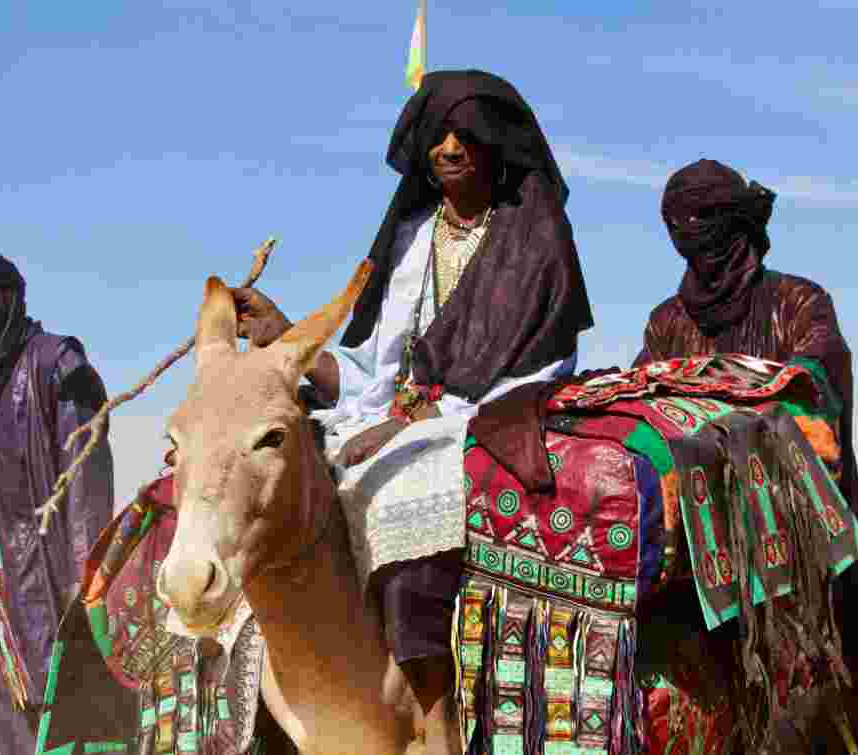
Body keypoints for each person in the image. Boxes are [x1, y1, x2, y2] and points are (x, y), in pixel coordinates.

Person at [234, 70, 592, 751]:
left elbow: (534, 359)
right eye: (438, 134)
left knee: (401, 496)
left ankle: (436, 718)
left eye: (465, 134)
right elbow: (378, 370)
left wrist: (416, 422)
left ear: (493, 145)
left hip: (502, 405)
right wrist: (286, 337)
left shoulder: (535, 232)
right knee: (278, 472)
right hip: (411, 410)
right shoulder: (413, 237)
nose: (450, 145)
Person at [633, 159, 858, 752]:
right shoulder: (665, 323)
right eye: (677, 221)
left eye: (704, 218)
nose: (690, 232)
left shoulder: (798, 301)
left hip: (793, 547)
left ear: (736, 223)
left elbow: (817, 379)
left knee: (803, 707)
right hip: (700, 556)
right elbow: (642, 408)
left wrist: (744, 408)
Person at [0, 249, 114, 754]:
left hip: (42, 576)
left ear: (10, 298)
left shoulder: (57, 364)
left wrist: (85, 584)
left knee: (49, 709)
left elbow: (86, 480)